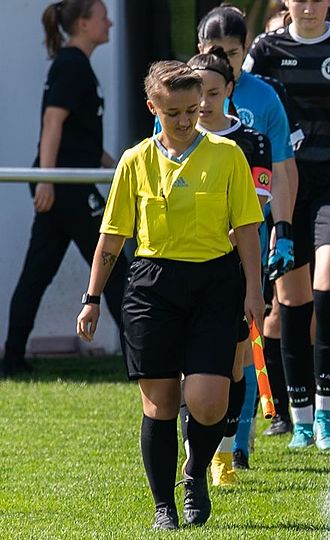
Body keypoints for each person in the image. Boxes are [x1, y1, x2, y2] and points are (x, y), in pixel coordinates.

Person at [76, 60, 264, 529]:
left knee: (209, 400)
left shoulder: (228, 155)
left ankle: (195, 471)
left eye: (192, 110)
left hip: (215, 284)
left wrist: (254, 290)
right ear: (153, 108)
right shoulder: (135, 160)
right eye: (173, 112)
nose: (184, 121)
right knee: (159, 402)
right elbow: (112, 238)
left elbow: (246, 229)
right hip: (152, 287)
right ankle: (164, 506)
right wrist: (92, 297)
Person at [244, 0, 330, 450]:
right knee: (291, 302)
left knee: (328, 290)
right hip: (285, 184)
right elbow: (246, 112)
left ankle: (326, 415)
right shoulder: (265, 49)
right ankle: (300, 418)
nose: (308, 6)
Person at [3, 0, 126, 377]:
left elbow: (81, 138)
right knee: (114, 266)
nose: (110, 23)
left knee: (37, 272)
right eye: (103, 17)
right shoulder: (72, 65)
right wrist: (47, 179)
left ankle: (12, 359)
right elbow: (52, 122)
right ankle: (140, 357)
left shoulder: (76, 65)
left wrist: (120, 167)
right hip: (66, 186)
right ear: (83, 24)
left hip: (66, 183)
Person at [194, 5, 300, 441]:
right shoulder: (178, 96)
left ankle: (238, 441)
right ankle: (202, 442)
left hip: (248, 238)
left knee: (244, 342)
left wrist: (283, 231)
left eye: (232, 52)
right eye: (214, 50)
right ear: (199, 48)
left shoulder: (265, 97)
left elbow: (283, 168)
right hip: (191, 241)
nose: (223, 58)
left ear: (246, 49)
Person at [183, 48, 272, 486]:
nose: (203, 103)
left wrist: (219, 241)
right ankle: (195, 457)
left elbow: (256, 208)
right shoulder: (174, 140)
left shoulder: (252, 142)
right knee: (189, 366)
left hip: (235, 264)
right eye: (196, 93)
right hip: (183, 266)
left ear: (230, 90)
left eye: (213, 93)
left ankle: (224, 451)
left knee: (234, 366)